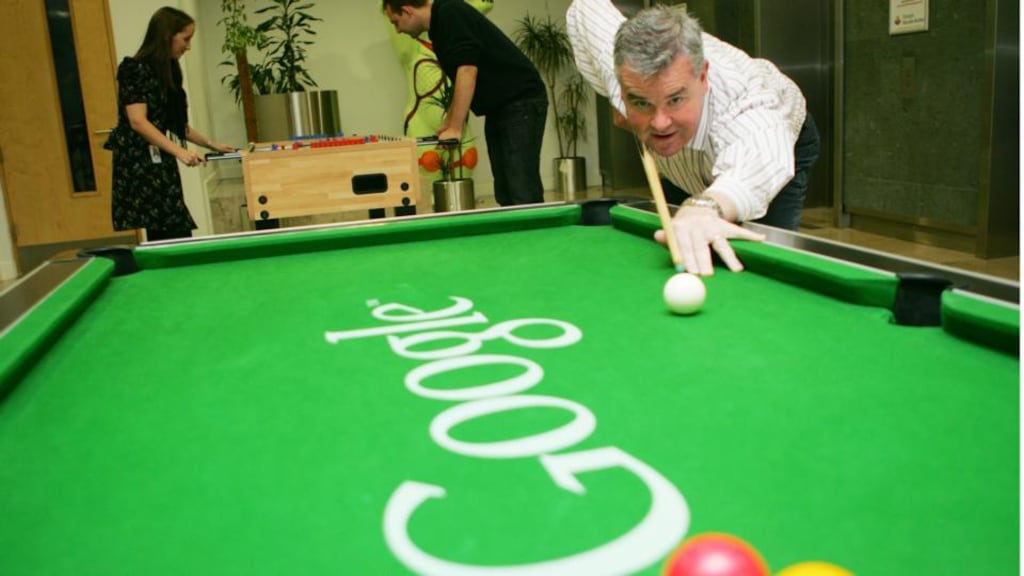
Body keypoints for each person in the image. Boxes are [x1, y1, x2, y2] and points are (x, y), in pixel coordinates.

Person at [567, 1, 820, 275]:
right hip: (683, 160)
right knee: (685, 237)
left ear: (703, 77)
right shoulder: (618, 67)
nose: (660, 122)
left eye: (675, 99)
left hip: (780, 146)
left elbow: (762, 155)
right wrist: (619, 102)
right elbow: (585, 8)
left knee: (757, 263)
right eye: (641, 102)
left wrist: (706, 206)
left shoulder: (743, 102)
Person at [382, 0, 548, 206]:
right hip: (501, 106)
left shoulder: (449, 13)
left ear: (407, 11)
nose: (397, 30)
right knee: (505, 190)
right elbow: (461, 76)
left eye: (396, 22)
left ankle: (539, 236)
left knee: (521, 187)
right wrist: (449, 120)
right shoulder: (439, 27)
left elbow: (467, 70)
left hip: (521, 101)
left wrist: (455, 127)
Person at [104, 7, 234, 241]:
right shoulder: (133, 69)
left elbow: (176, 124)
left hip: (160, 153)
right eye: (185, 39)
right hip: (139, 158)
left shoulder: (170, 70)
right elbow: (137, 121)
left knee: (172, 219)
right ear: (167, 36)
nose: (188, 46)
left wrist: (211, 144)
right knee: (165, 222)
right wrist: (180, 152)